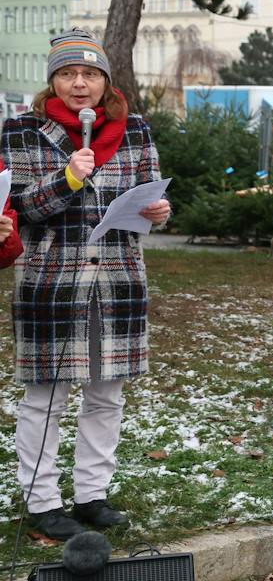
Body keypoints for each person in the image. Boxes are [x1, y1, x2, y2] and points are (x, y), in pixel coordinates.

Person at [2, 29, 170, 541]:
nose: (80, 84)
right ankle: (42, 500)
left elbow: (149, 191)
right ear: (53, 79)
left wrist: (158, 212)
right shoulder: (21, 131)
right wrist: (68, 180)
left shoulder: (134, 130)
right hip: (52, 282)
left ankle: (92, 494)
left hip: (118, 280)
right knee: (45, 398)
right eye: (69, 74)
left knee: (106, 396)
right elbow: (21, 208)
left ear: (105, 83)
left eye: (91, 74)